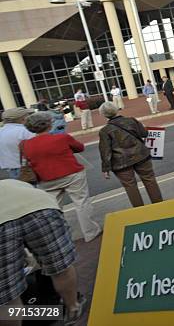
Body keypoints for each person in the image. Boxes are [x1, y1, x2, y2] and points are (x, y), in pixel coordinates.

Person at [0, 180, 86, 326]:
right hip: (40, 206)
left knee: (8, 296)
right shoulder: (10, 183)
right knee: (60, 268)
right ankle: (72, 309)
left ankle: (43, 313)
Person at [22, 112, 101, 242]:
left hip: (46, 179)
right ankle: (90, 231)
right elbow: (80, 148)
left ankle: (60, 236)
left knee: (54, 208)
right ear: (48, 124)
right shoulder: (61, 138)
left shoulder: (25, 145)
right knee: (81, 202)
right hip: (71, 173)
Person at [98, 102, 163, 207]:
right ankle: (159, 205)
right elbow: (144, 134)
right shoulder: (131, 121)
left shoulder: (105, 131)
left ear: (104, 115)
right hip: (141, 155)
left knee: (130, 186)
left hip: (121, 162)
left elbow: (105, 151)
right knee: (149, 179)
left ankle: (139, 211)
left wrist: (106, 168)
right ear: (116, 110)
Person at [0, 108, 35, 180]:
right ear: (22, 119)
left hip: (7, 168)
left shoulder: (1, 131)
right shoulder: (25, 131)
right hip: (27, 169)